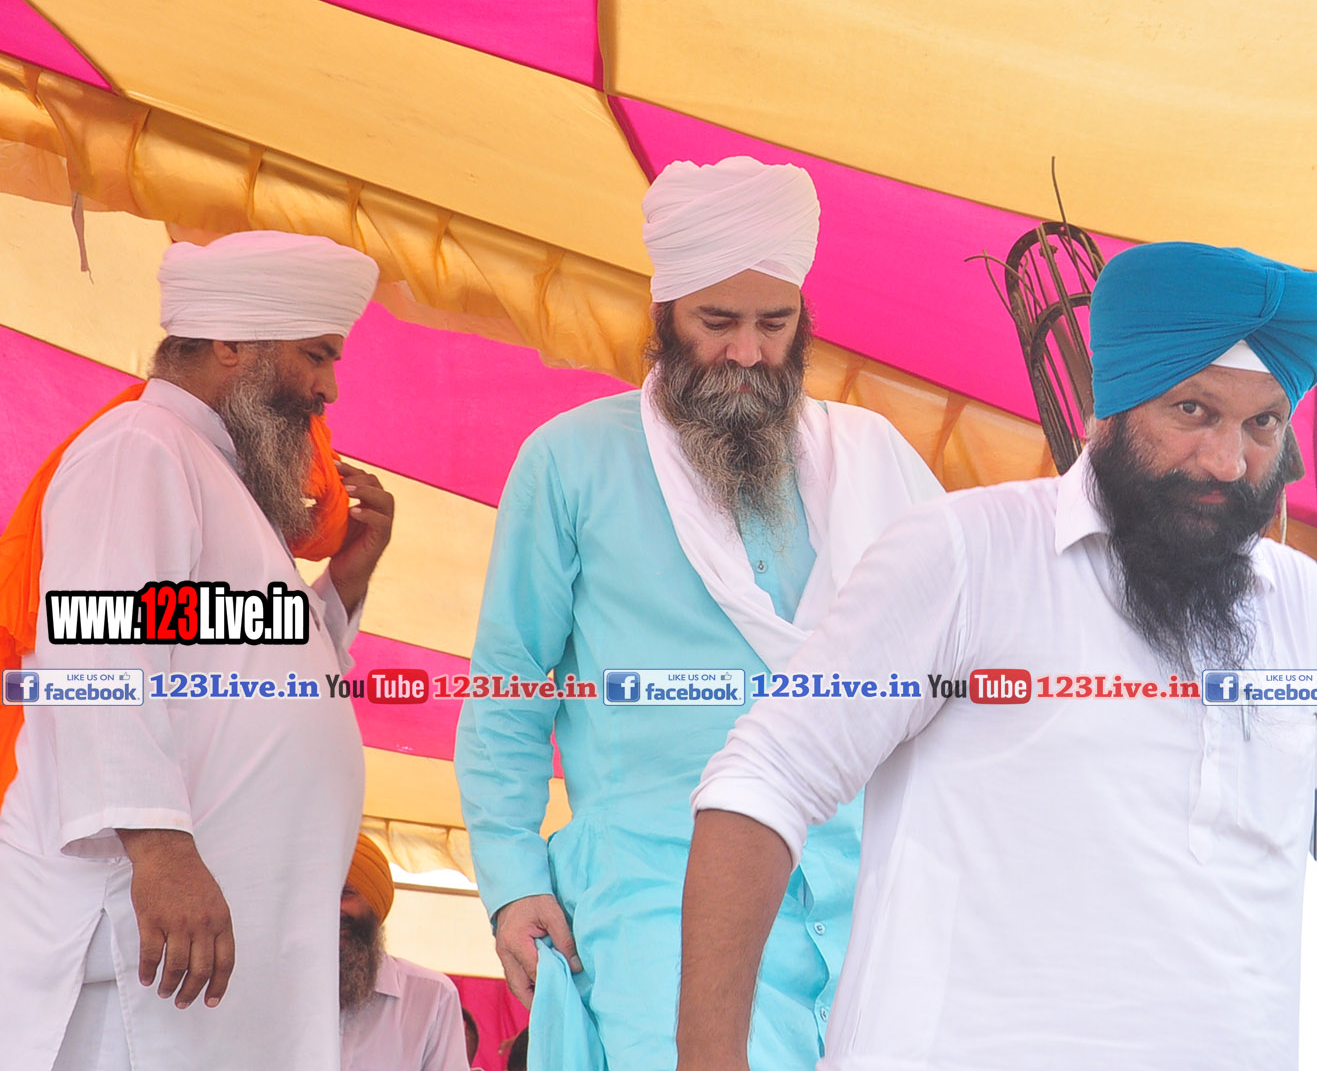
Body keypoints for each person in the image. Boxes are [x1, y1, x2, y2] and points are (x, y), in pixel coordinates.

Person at [677, 241, 1317, 1071]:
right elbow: (767, 779)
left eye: (1262, 423)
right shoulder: (967, 552)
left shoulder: (1304, 610)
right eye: (1194, 411)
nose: (1228, 462)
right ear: (1108, 404)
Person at [454, 157, 943, 1071]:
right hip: (656, 894)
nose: (749, 354)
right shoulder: (570, 461)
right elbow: (508, 690)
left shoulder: (872, 458)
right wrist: (513, 882)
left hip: (864, 887)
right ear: (665, 317)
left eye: (775, 323)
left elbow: (958, 651)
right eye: (718, 323)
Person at [0, 231, 394, 1070]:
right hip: (138, 946)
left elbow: (245, 674)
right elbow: (96, 659)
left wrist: (341, 588)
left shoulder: (218, 479)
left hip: (208, 957)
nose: (328, 389)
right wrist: (160, 849)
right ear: (230, 343)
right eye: (316, 355)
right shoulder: (140, 447)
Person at [340, 834, 471, 1071]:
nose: (332, 909)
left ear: (375, 903)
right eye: (319, 896)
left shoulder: (433, 997)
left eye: (345, 893)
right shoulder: (277, 990)